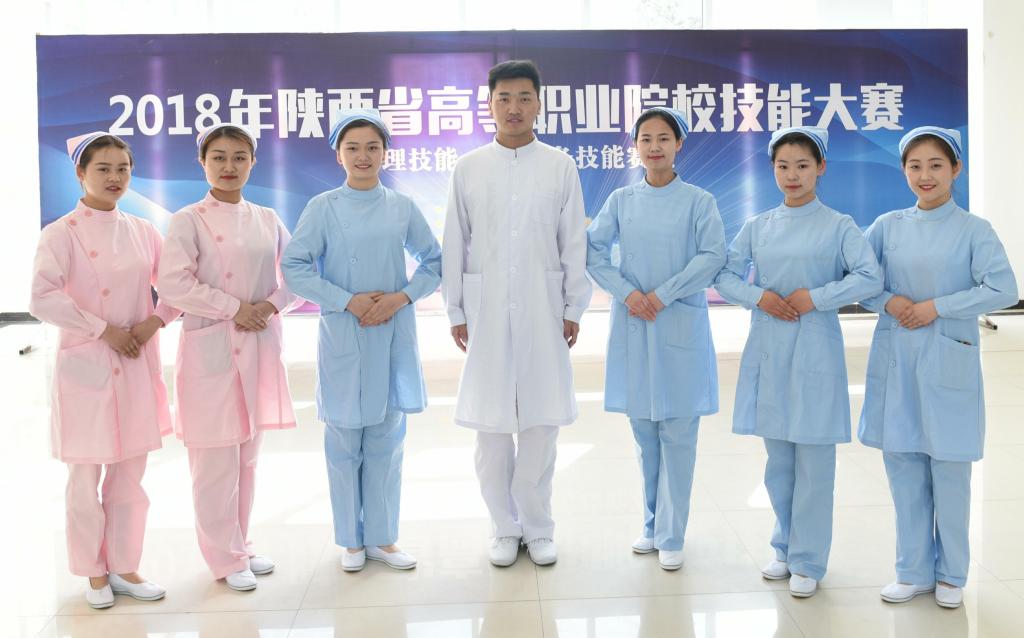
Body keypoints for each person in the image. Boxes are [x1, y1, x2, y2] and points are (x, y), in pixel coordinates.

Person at [714, 126, 883, 597]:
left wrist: (818, 297)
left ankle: (809, 560)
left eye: (803, 166)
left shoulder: (838, 225)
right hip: (770, 345)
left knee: (814, 462)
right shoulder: (758, 225)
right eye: (783, 166)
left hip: (815, 346)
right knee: (779, 462)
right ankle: (784, 547)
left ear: (821, 168)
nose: (792, 175)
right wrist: (758, 297)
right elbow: (724, 275)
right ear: (772, 169)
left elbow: (869, 277)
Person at [858, 126, 1017, 609]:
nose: (924, 175)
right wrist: (889, 302)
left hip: (948, 354)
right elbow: (859, 280)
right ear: (903, 170)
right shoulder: (887, 226)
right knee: (903, 462)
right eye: (915, 166)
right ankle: (912, 570)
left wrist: (937, 307)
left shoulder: (974, 230)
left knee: (949, 467)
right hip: (898, 355)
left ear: (955, 169)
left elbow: (1003, 288)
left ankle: (950, 573)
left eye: (935, 165)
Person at [441, 59, 592, 567]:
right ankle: (503, 527)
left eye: (524, 97)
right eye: (503, 98)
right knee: (491, 426)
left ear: (539, 104)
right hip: (484, 309)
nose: (514, 107)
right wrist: (455, 309)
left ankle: (539, 526)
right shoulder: (469, 168)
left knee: (540, 423)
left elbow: (573, 241)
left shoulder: (559, 166)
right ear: (489, 105)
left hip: (543, 307)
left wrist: (573, 305)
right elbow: (455, 242)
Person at [282, 108, 441, 572]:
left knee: (387, 436)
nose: (363, 156)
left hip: (391, 329)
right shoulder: (323, 207)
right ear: (338, 155)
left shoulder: (401, 207)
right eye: (352, 148)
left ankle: (383, 538)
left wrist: (401, 297)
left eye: (373, 147)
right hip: (344, 331)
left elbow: (434, 261)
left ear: (386, 153)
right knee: (344, 438)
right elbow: (294, 266)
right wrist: (345, 301)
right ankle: (351, 540)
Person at [30, 132, 177, 608]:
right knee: (84, 479)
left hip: (134, 361)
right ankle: (94, 572)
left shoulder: (143, 230)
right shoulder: (60, 234)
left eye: (123, 169)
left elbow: (175, 285)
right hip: (87, 368)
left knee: (130, 474)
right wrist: (103, 330)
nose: (115, 177)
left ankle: (126, 566)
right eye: (103, 169)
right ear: (80, 173)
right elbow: (43, 298)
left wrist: (155, 321)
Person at [157, 124, 301, 592]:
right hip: (212, 349)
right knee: (214, 463)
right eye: (218, 157)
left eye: (239, 157)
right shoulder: (188, 220)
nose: (229, 166)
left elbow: (297, 274)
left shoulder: (266, 218)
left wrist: (270, 306)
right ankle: (223, 557)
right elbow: (174, 283)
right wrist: (235, 308)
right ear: (202, 162)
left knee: (247, 457)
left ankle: (241, 544)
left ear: (253, 162)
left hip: (258, 346)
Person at [586, 107, 726, 570]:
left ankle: (672, 533)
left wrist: (663, 295)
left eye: (664, 137)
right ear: (635, 146)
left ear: (679, 143)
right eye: (645, 138)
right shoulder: (621, 201)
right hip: (635, 322)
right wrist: (627, 293)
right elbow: (593, 251)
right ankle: (651, 524)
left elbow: (712, 256)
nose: (654, 146)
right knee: (645, 432)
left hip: (677, 320)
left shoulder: (698, 201)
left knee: (679, 434)